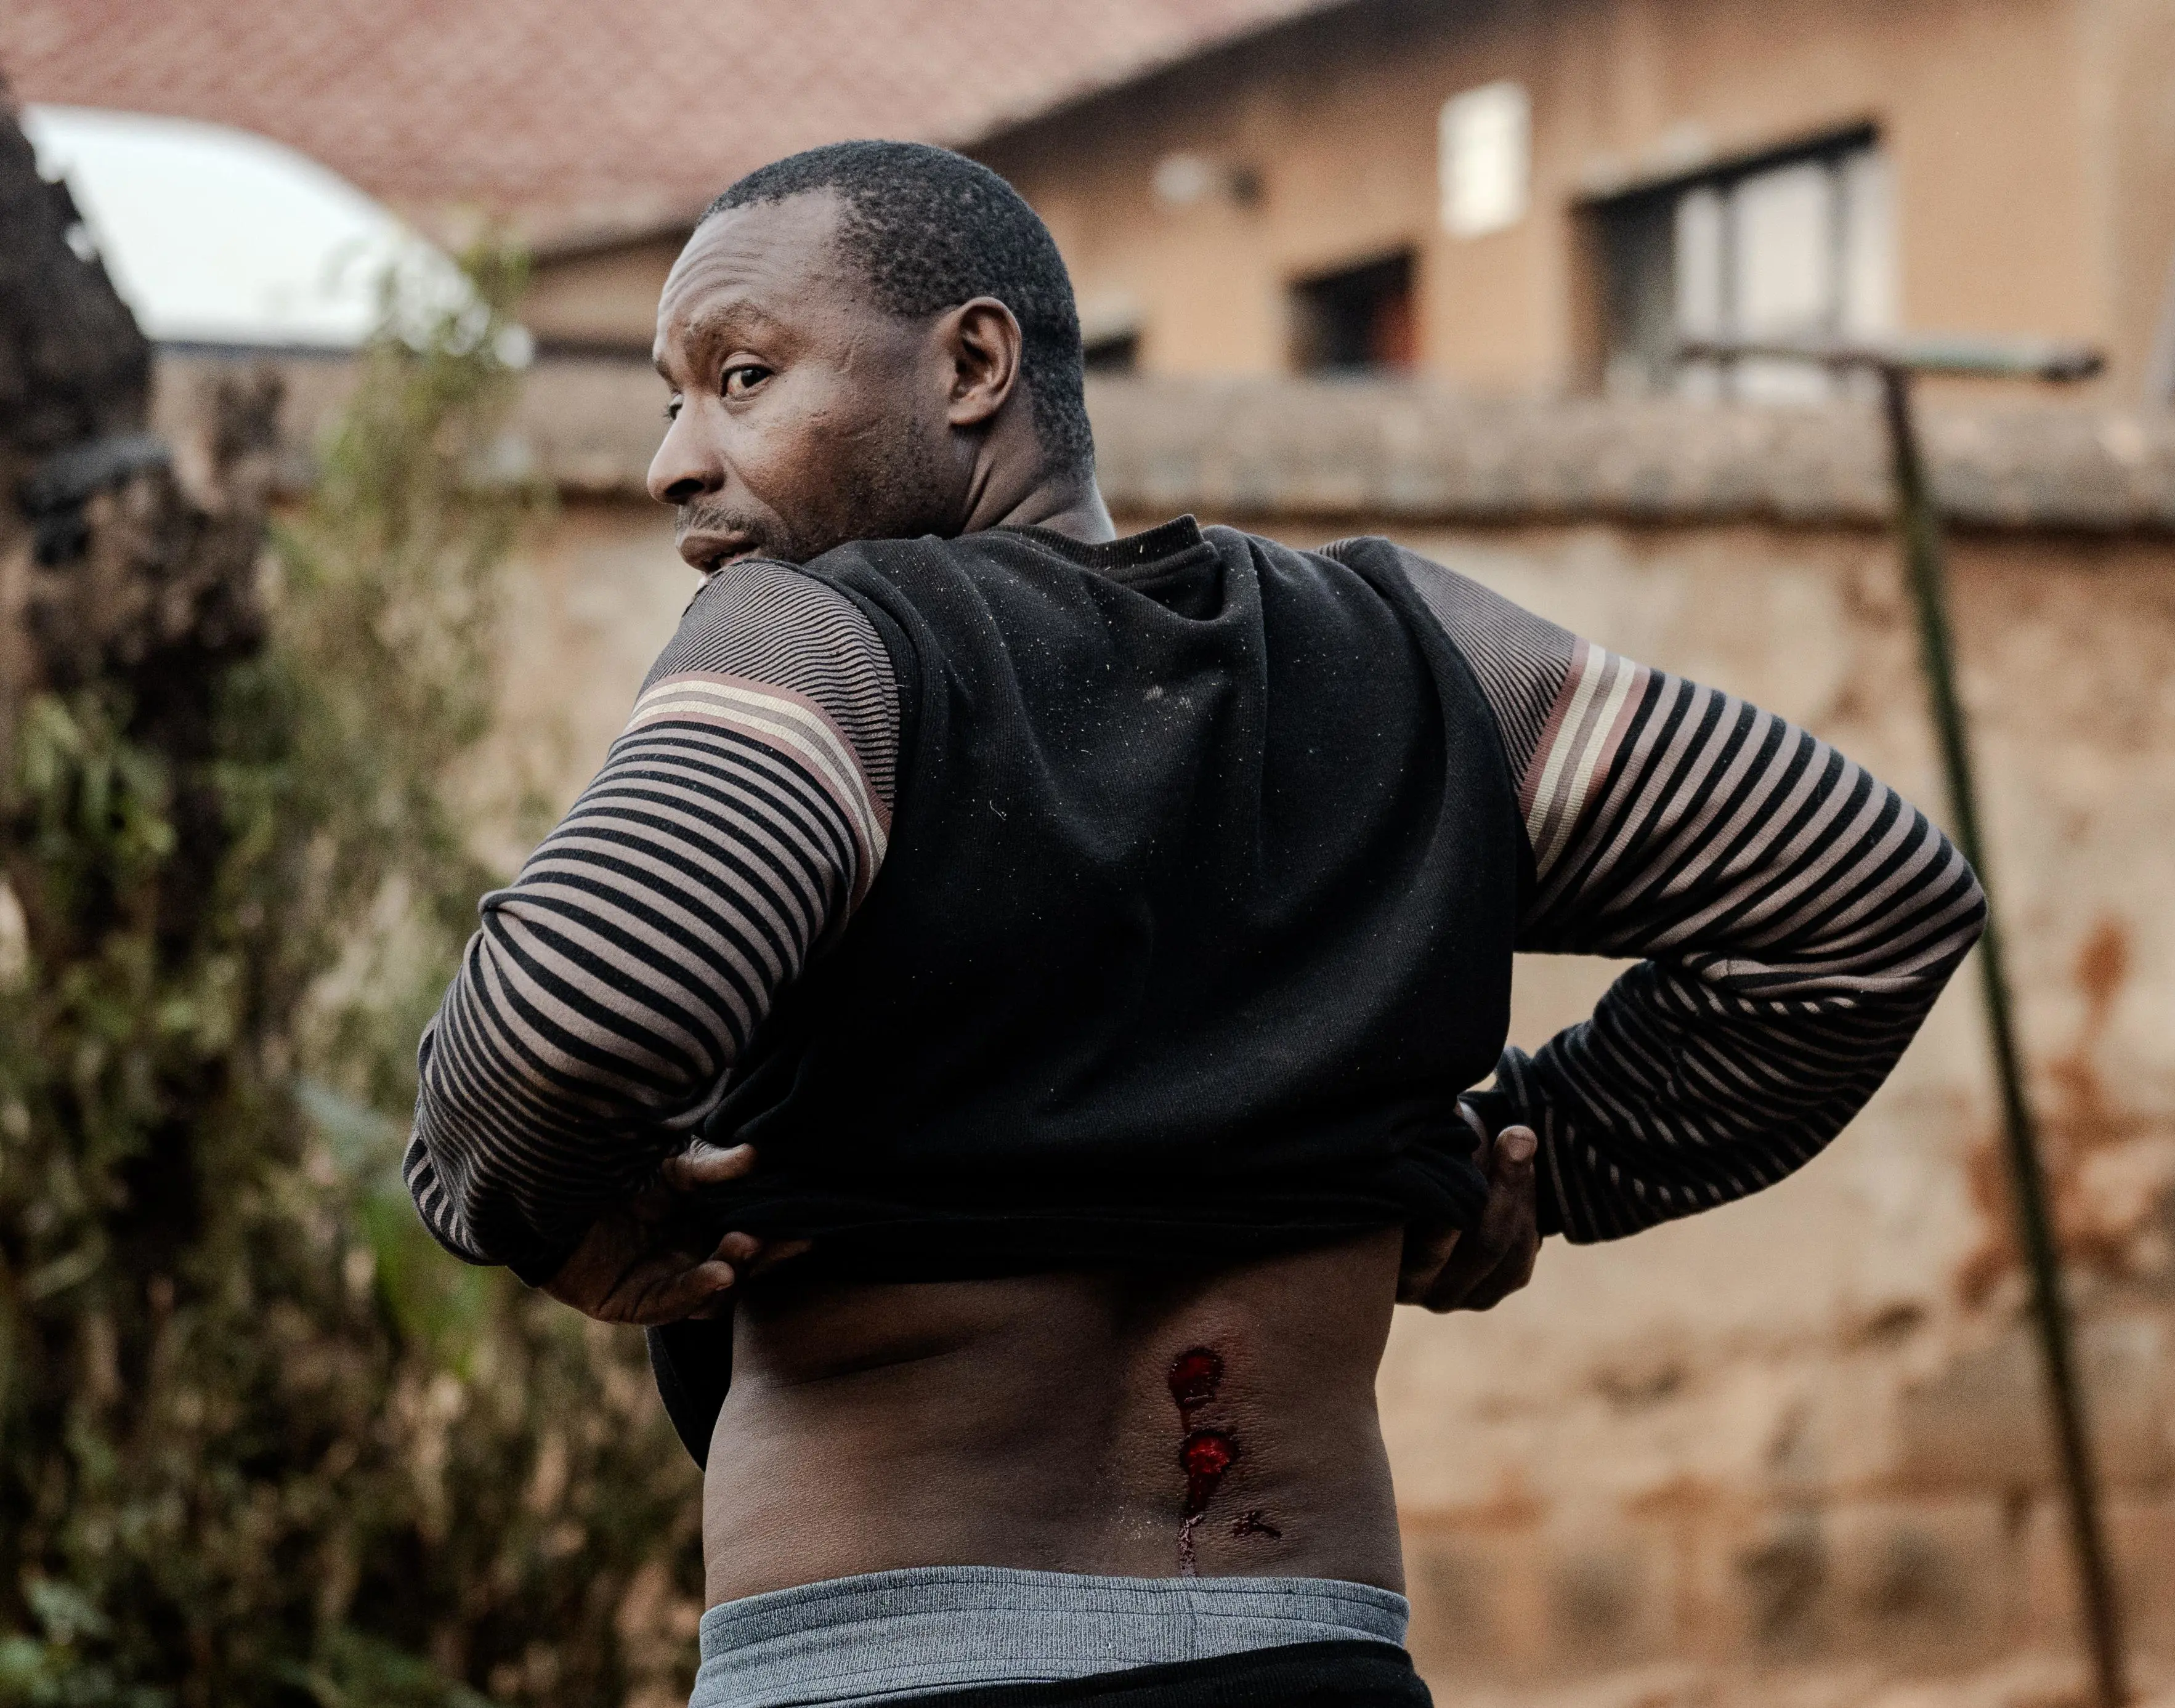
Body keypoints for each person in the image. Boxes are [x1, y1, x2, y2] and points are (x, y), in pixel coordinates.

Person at [403, 140, 1985, 1708]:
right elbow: (1860, 901)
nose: (678, 458)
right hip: (1310, 1665)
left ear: (972, 365)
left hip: (885, 1671)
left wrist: (558, 1213)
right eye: (670, 399)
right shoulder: (1414, 663)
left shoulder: (823, 649)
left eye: (740, 379)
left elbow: (564, 1024)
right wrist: (1530, 1158)